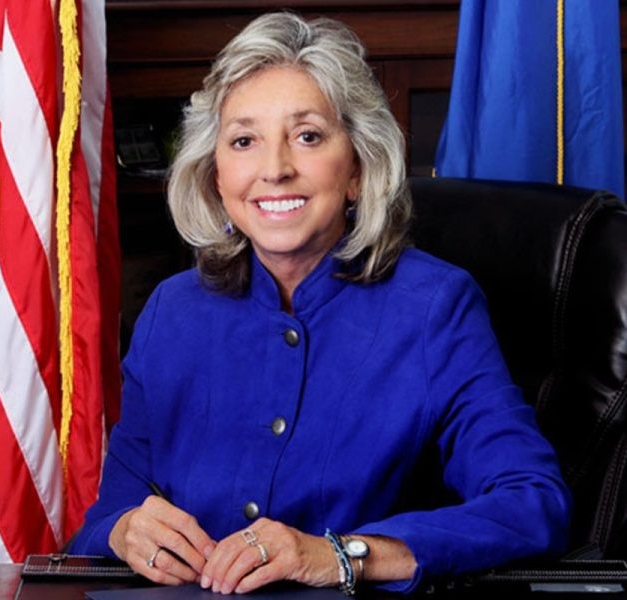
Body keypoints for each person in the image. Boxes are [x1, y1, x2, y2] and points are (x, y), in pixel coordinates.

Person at [71, 12, 571, 595]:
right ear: (215, 175)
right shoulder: (171, 311)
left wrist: (343, 555)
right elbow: (109, 516)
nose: (275, 169)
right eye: (244, 141)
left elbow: (533, 503)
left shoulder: (434, 307)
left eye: (307, 136)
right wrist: (124, 530)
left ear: (357, 168)